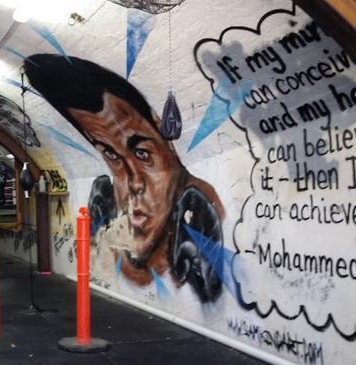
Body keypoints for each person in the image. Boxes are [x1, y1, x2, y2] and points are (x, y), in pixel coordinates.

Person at [25, 54, 225, 302]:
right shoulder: (109, 218)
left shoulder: (199, 211)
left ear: (162, 130)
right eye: (110, 154)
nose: (135, 183)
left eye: (142, 153)